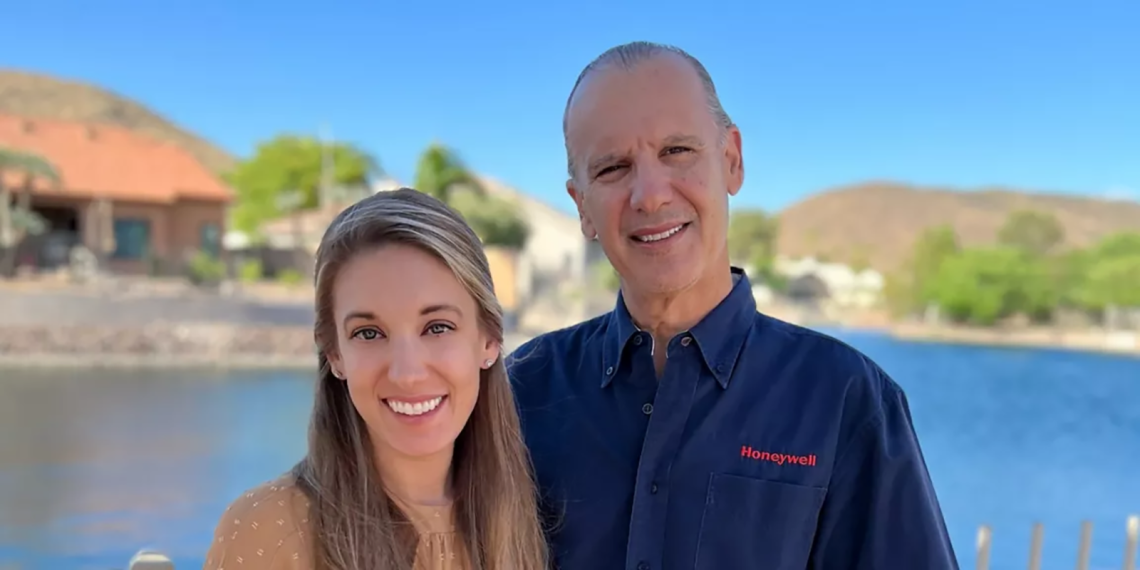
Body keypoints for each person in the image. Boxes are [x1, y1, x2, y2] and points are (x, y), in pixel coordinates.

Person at [507, 41, 960, 570]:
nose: (650, 195)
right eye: (612, 168)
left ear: (732, 161)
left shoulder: (847, 400)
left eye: (677, 151)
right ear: (582, 206)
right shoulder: (521, 392)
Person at [203, 189, 549, 570]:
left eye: (437, 327)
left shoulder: (533, 515)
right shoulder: (266, 533)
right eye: (369, 333)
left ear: (489, 339)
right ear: (334, 354)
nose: (408, 373)